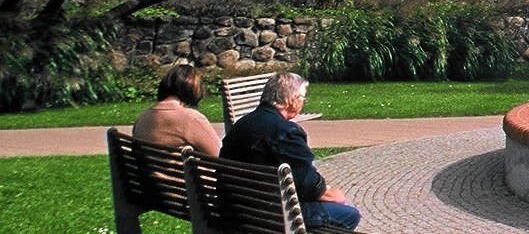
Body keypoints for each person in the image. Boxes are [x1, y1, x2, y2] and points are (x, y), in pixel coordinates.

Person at [221, 72, 360, 229]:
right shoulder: (287, 133)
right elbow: (308, 184)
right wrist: (332, 194)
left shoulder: (242, 124)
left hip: (237, 210)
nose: (303, 102)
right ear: (291, 101)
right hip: (270, 216)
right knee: (349, 214)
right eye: (302, 98)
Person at [132, 64, 220, 156]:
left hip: (146, 170)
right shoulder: (191, 119)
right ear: (194, 91)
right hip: (178, 170)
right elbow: (221, 155)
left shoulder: (143, 117)